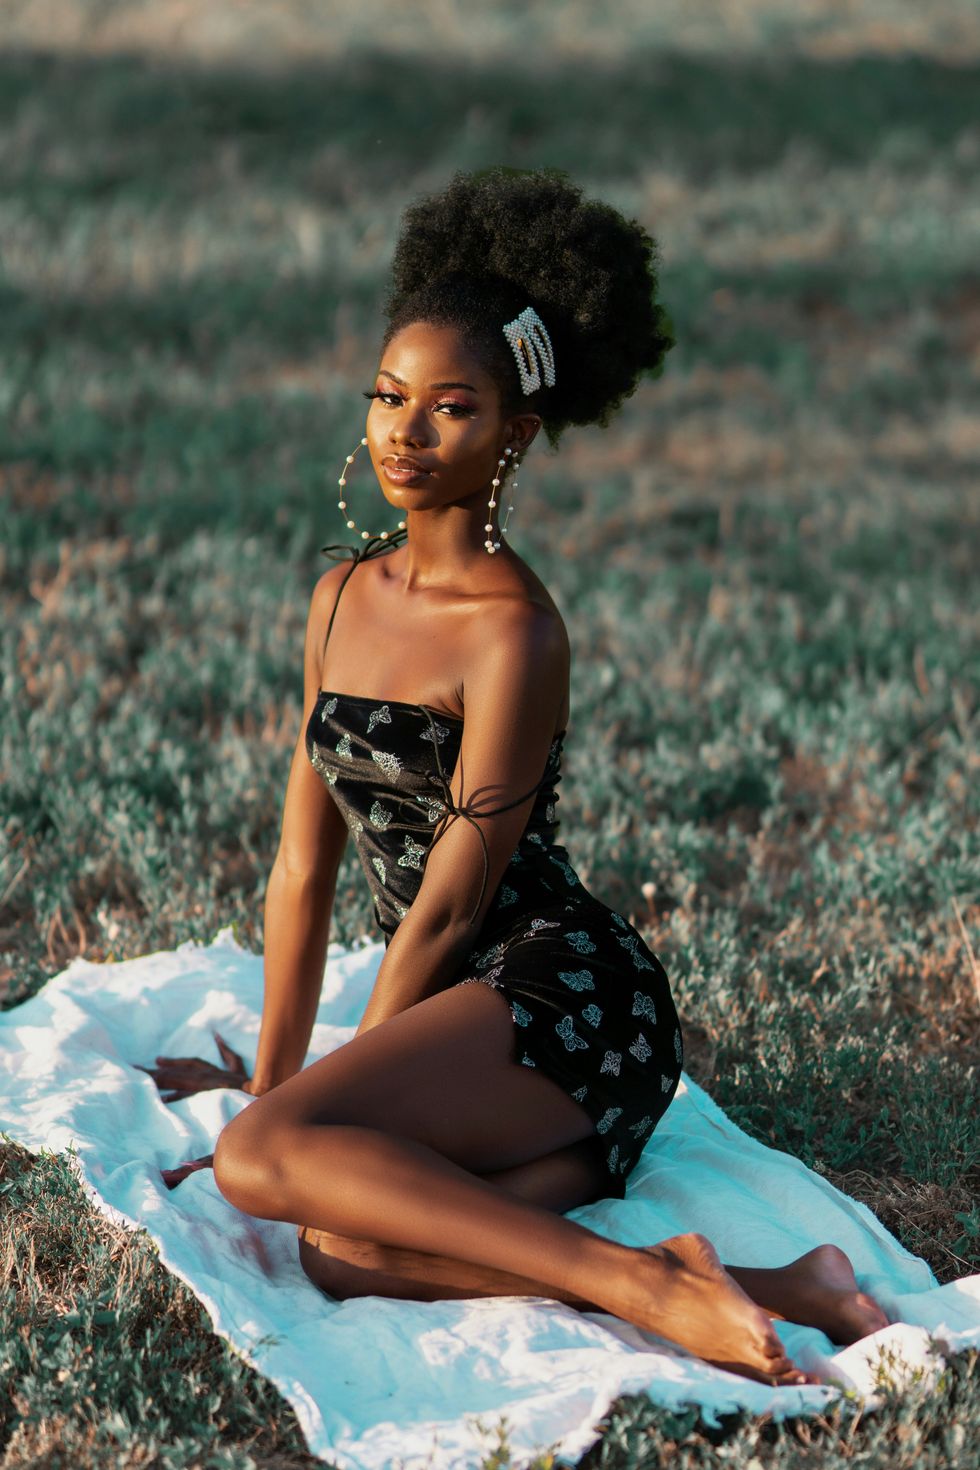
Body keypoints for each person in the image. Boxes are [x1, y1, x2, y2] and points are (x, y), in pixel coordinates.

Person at [139, 168, 887, 1385]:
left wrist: (318, 1109)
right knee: (334, 1245)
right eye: (387, 398)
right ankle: (770, 1285)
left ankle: (648, 1283)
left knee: (261, 1166)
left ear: (515, 432)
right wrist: (282, 1088)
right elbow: (300, 863)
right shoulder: (336, 597)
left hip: (565, 1000)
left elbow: (445, 903)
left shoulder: (514, 629)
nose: (403, 431)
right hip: (454, 1013)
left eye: (450, 408)